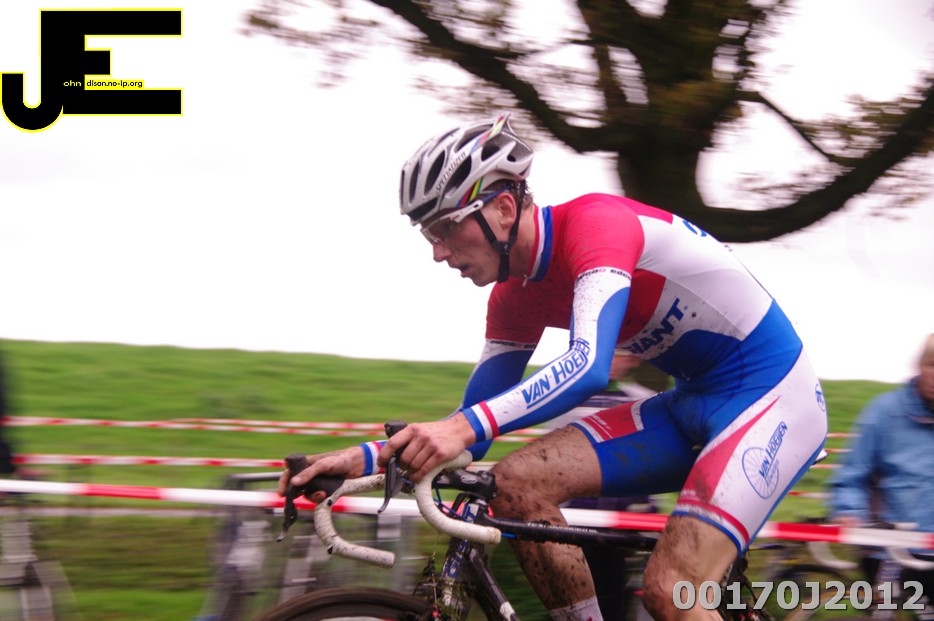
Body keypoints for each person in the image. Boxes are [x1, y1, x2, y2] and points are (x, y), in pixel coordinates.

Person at [283, 114, 828, 620]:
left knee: (671, 587)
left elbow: (588, 366)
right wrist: (364, 458)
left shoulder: (595, 226)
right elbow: (471, 429)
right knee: (515, 484)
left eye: (446, 228)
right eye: (429, 235)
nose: (438, 252)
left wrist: (459, 428)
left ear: (503, 208)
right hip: (692, 403)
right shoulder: (511, 298)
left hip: (772, 397)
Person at [829, 334, 934, 600]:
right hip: (890, 553)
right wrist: (849, 512)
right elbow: (852, 475)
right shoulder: (885, 412)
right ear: (919, 366)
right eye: (932, 365)